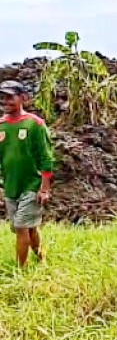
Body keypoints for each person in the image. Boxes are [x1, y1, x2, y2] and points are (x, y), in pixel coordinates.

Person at [0, 80, 54, 267]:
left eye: (10, 97)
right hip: (11, 187)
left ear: (23, 98)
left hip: (32, 185)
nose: (5, 102)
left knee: (21, 227)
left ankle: (19, 272)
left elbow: (46, 157)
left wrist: (45, 188)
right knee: (29, 229)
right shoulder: (1, 125)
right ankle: (42, 260)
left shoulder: (35, 124)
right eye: (3, 98)